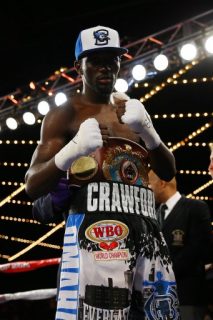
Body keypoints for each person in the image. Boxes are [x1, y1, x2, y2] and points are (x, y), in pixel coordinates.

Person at [25, 25, 180, 319]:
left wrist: (149, 134)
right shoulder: (65, 114)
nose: (105, 67)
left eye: (112, 58)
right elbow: (32, 185)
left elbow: (168, 171)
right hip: (98, 233)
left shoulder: (130, 107)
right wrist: (72, 149)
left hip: (147, 230)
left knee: (160, 314)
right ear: (78, 66)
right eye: (95, 60)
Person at [148, 169, 213, 320]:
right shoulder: (154, 214)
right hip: (158, 297)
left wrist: (162, 273)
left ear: (162, 183)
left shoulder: (196, 208)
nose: (148, 190)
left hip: (187, 297)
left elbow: (200, 251)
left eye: (150, 185)